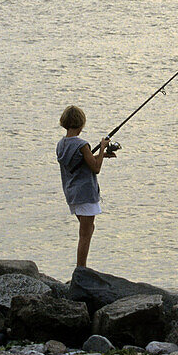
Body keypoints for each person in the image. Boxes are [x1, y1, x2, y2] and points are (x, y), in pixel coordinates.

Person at [55, 105, 114, 267]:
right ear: (81, 123)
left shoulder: (61, 145)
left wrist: (102, 155)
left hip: (71, 194)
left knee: (88, 229)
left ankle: (81, 269)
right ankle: (81, 270)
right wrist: (102, 148)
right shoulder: (82, 144)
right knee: (85, 235)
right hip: (86, 194)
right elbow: (96, 168)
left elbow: (79, 162)